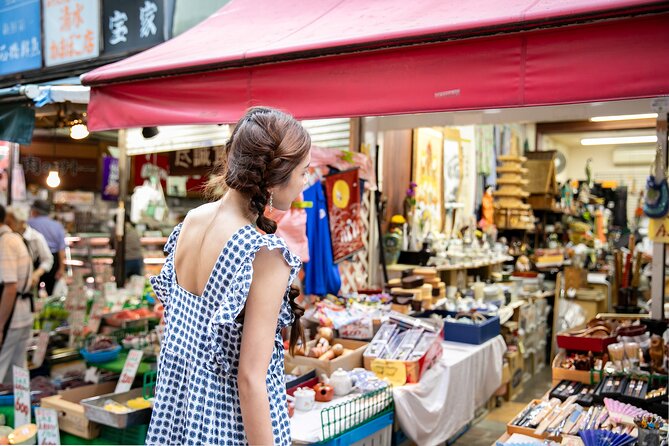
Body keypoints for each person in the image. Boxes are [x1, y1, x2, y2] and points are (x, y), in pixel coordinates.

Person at [146, 107, 311, 445]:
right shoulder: (263, 254)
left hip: (177, 422)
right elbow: (250, 380)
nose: (304, 182)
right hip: (228, 429)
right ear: (276, 175)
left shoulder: (192, 221)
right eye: (303, 171)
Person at [0, 204, 34, 385]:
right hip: (21, 314)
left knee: (5, 368)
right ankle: (19, 411)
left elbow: (10, 287)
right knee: (17, 372)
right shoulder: (13, 239)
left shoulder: (5, 242)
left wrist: (0, 325)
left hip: (12, 318)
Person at [6, 206, 54, 288]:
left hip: (28, 280)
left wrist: (36, 274)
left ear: (21, 222)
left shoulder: (35, 237)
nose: (7, 226)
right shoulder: (8, 237)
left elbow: (48, 259)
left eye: (10, 223)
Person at [28, 199, 66, 295]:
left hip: (33, 259)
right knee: (51, 292)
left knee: (32, 290)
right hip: (54, 259)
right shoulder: (57, 225)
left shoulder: (29, 223)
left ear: (35, 211)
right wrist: (62, 269)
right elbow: (61, 250)